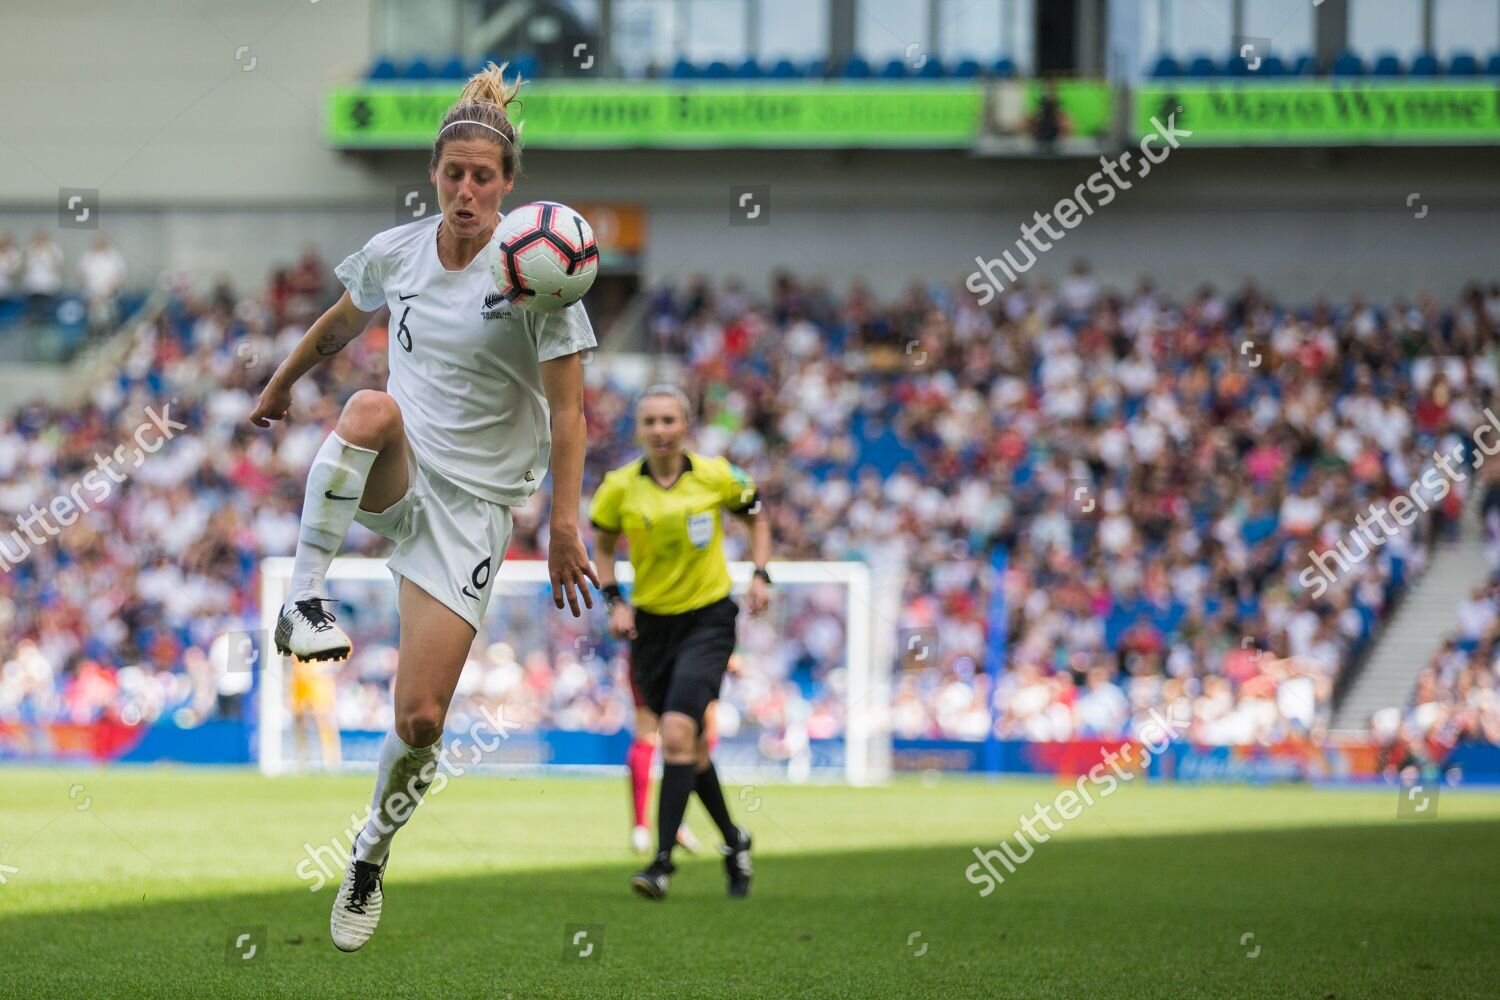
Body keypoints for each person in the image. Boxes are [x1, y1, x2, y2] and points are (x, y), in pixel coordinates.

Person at [247, 62, 599, 951]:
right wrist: (282, 385)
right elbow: (341, 322)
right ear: (435, 176)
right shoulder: (399, 249)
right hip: (401, 466)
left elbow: (569, 413)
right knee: (369, 408)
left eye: (485, 176)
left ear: (510, 187)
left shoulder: (540, 276)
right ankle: (303, 597)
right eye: (454, 174)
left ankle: (369, 851)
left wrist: (564, 522)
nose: (468, 190)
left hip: (473, 512)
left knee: (421, 720)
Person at [589, 384, 772, 899]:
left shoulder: (717, 474)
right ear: (639, 429)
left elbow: (757, 512)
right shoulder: (618, 487)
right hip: (652, 626)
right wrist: (614, 601)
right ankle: (735, 840)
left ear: (685, 425)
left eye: (669, 420)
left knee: (673, 734)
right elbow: (602, 546)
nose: (661, 430)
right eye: (651, 422)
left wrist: (761, 574)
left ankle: (662, 862)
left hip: (709, 621)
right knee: (688, 748)